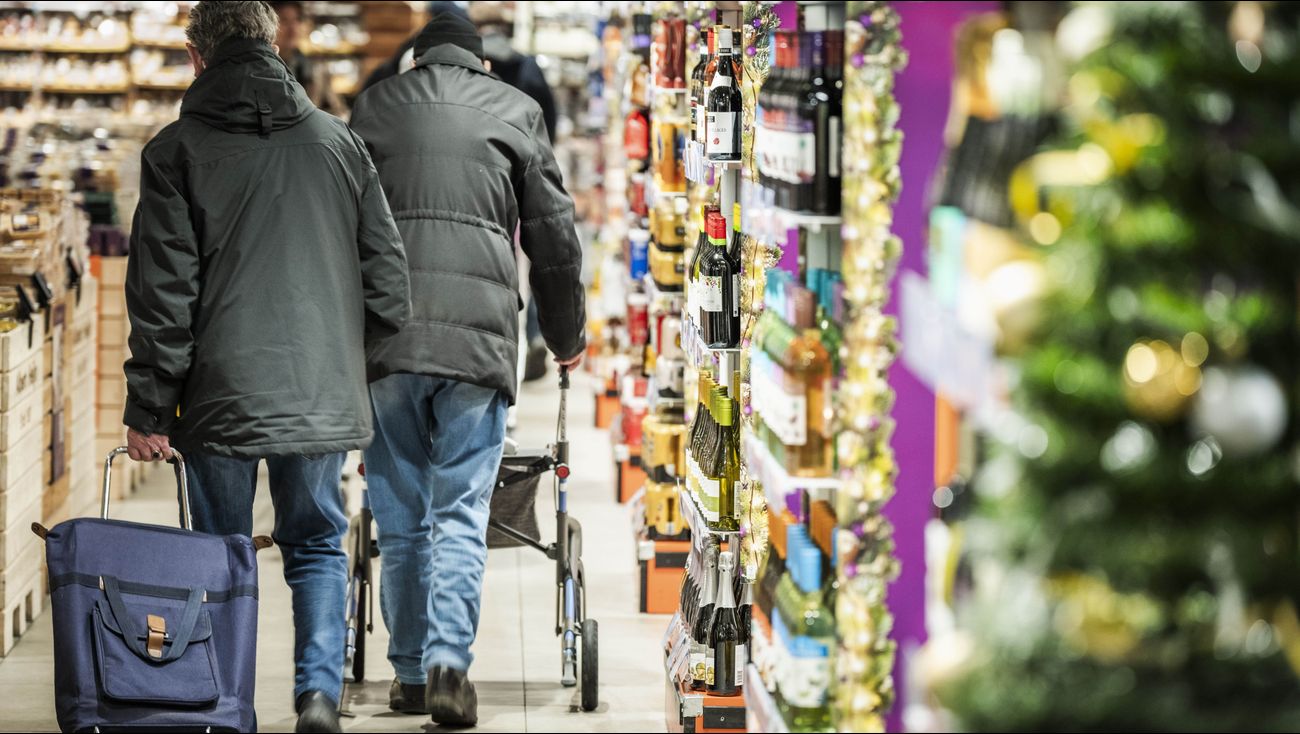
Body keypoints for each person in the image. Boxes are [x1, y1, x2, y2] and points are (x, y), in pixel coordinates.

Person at [121, 3, 411, 732]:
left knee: (220, 553)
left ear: (195, 57)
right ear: (274, 42)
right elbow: (389, 288)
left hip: (214, 394)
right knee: (314, 542)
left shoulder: (175, 152)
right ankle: (317, 696)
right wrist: (347, 370)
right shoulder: (339, 146)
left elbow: (164, 297)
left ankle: (224, 703)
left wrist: (149, 409)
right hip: (319, 390)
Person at [349, 11, 586, 729]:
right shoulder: (517, 109)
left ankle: (412, 673)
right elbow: (552, 235)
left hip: (387, 337)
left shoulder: (372, 109)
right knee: (458, 507)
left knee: (399, 509)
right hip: (479, 342)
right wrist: (566, 333)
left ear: (415, 62)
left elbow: (340, 224)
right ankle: (452, 663)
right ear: (482, 65)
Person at [269, 0, 343, 114]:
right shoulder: (262, 66)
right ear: (267, 25)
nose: (293, 28)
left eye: (297, 19)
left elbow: (339, 112)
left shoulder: (314, 68)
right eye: (284, 20)